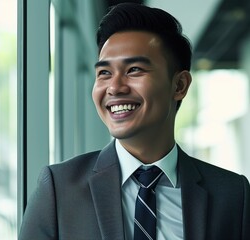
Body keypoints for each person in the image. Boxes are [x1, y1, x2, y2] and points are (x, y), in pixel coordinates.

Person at [19, 3, 250, 240]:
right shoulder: (59, 189)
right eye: (104, 73)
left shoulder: (232, 195)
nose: (115, 87)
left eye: (134, 69)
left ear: (179, 85)